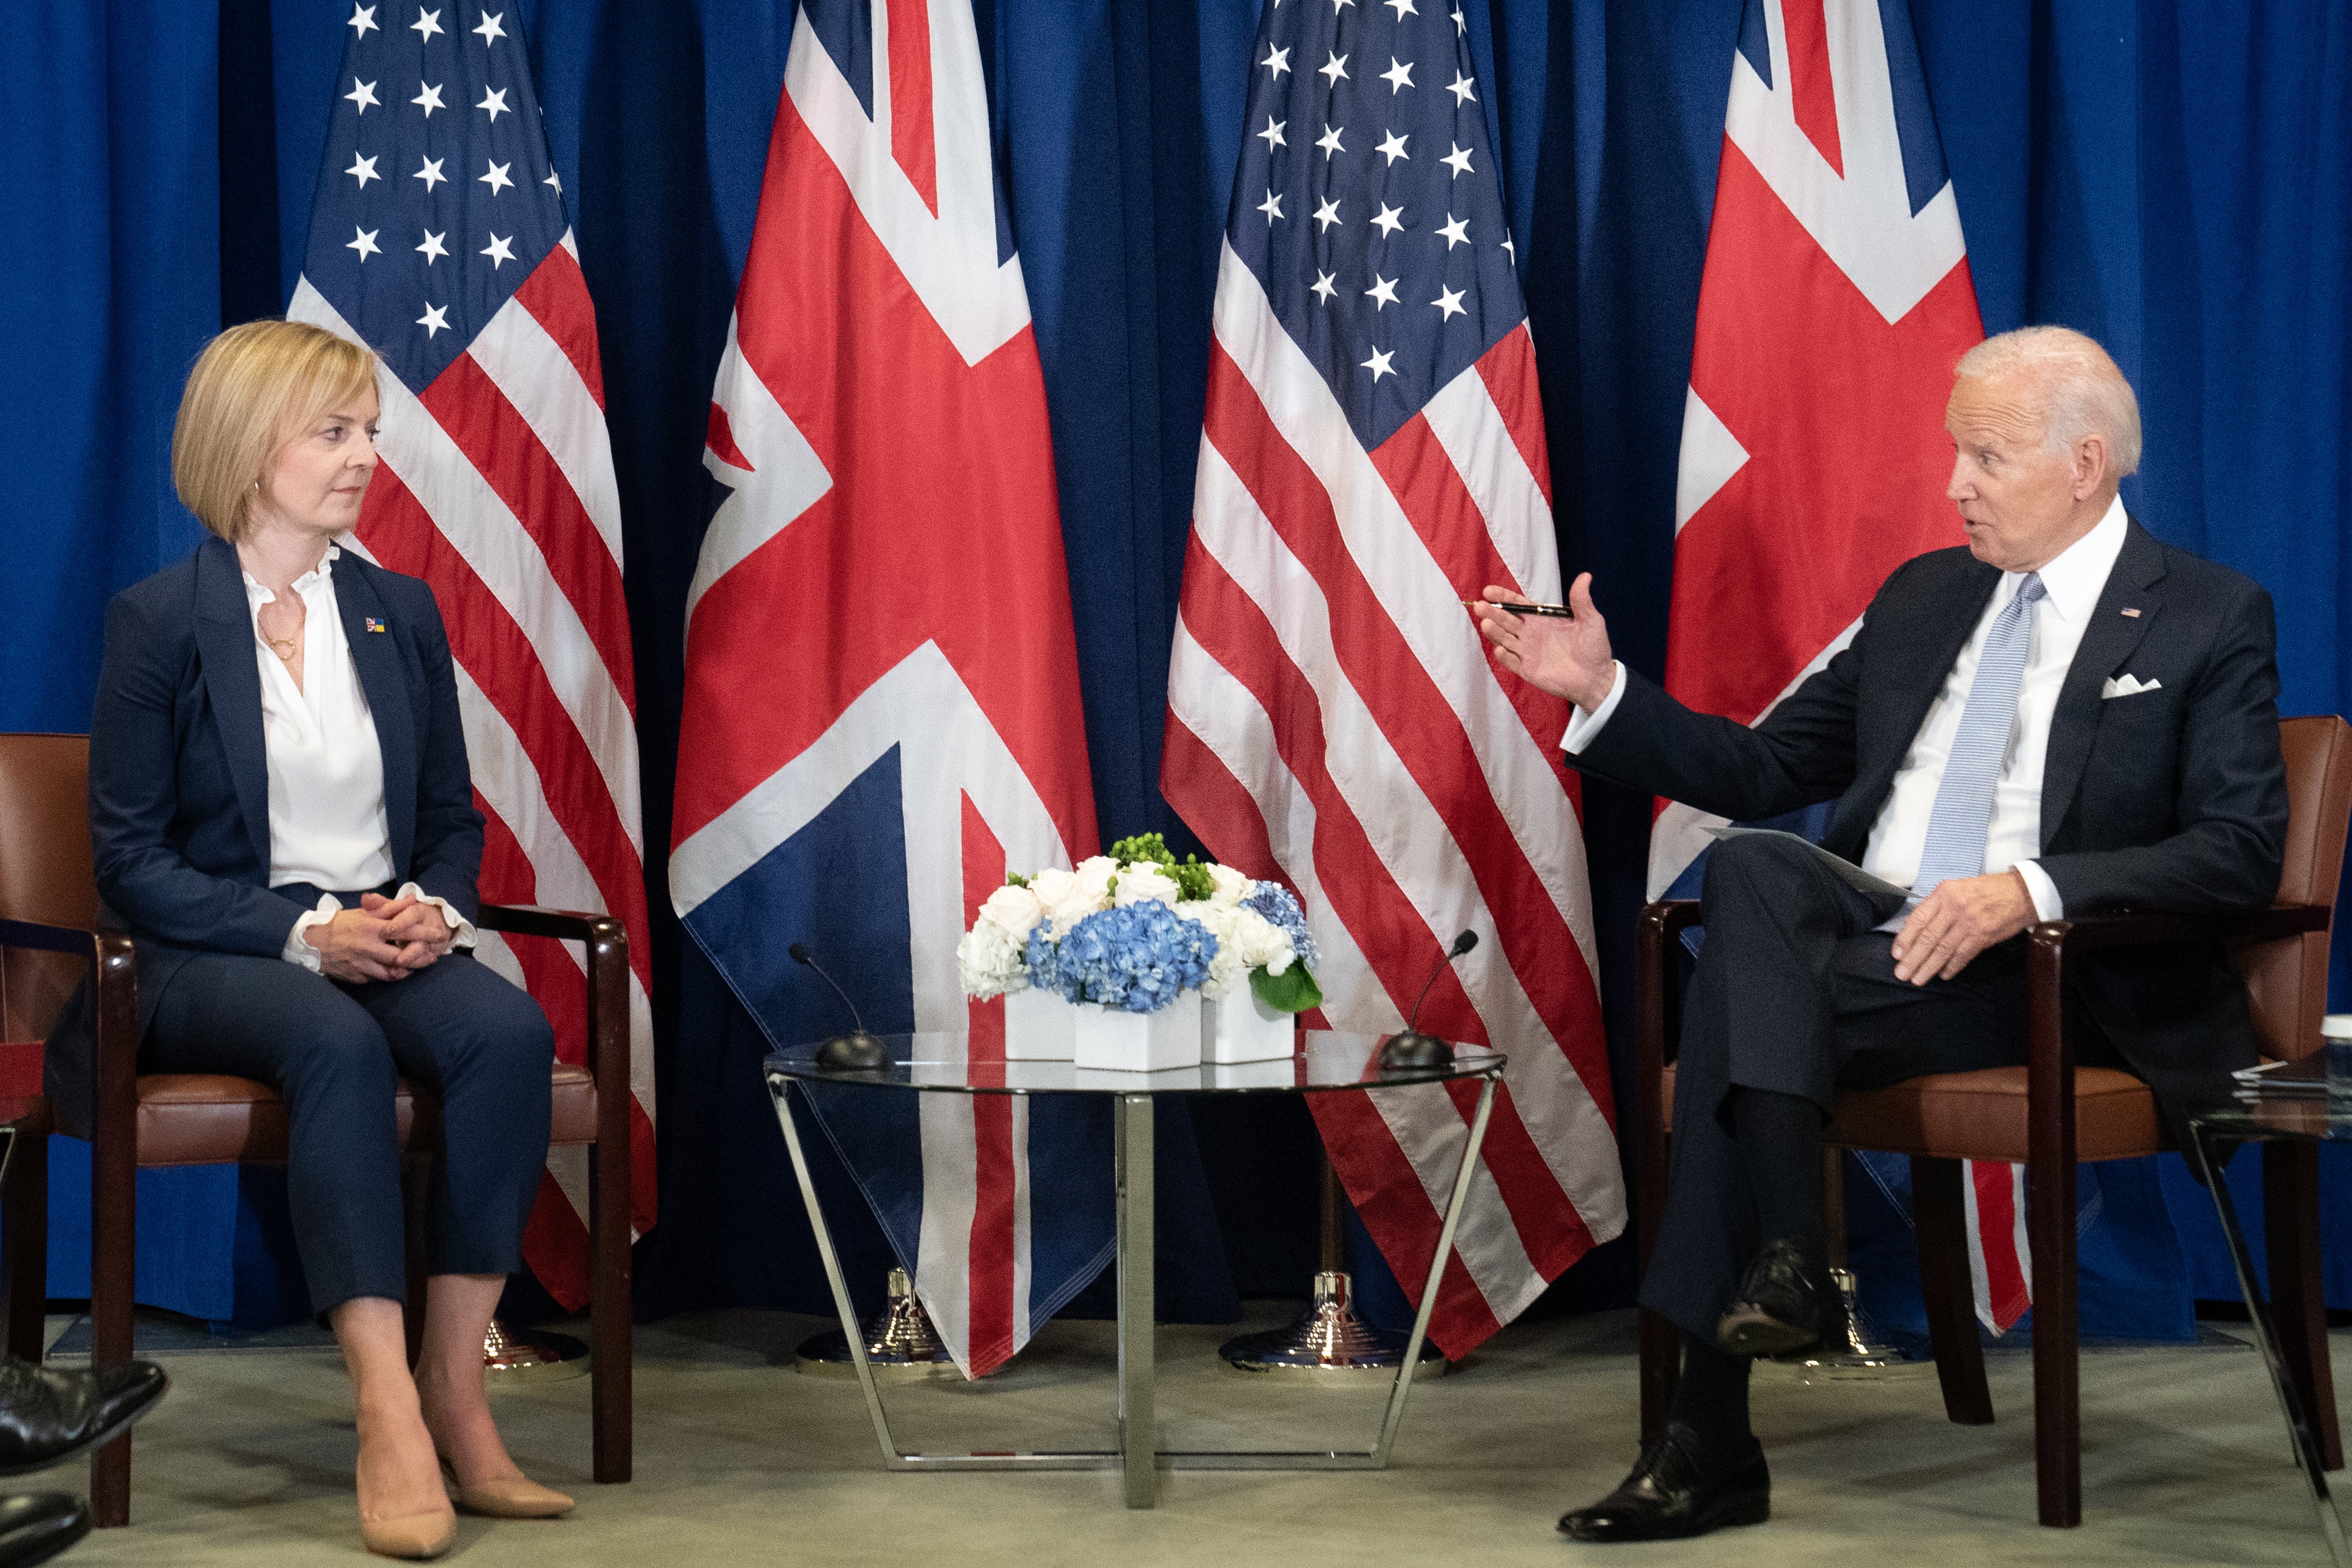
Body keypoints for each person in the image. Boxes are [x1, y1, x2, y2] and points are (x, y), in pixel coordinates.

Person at [1474, 327, 2289, 1543]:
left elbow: (2237, 848)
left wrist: (2027, 889)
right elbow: (1758, 769)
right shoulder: (1921, 598)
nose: (1951, 483)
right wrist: (1601, 695)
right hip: (1876, 943)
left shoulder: (2205, 615)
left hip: (2056, 977)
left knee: (1735, 1026)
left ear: (2083, 463)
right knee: (1749, 865)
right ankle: (1789, 1256)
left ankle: (1709, 1439)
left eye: (1983, 457)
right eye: (1953, 453)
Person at [47, 320, 574, 1559]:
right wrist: (309, 935)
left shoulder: (402, 610)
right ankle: (385, 1410)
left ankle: (458, 1395)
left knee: (506, 1030)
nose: (364, 459)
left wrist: (430, 912)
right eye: (334, 433)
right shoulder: (159, 622)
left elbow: (449, 818)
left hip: (376, 936)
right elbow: (131, 863)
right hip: (208, 956)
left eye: (370, 435)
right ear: (249, 445)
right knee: (333, 1043)